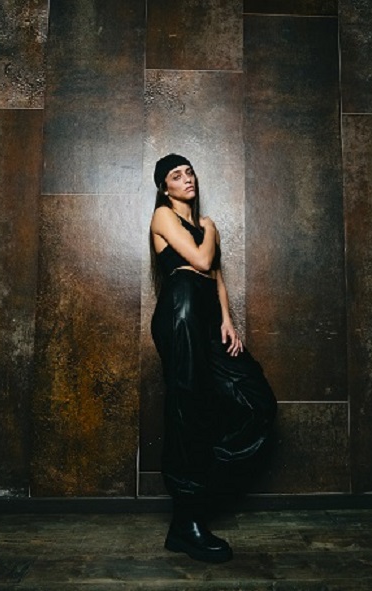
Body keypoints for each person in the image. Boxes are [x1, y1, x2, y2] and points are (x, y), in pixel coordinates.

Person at [150, 153, 277, 563]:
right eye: (176, 175)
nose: (187, 178)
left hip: (206, 314)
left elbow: (216, 277)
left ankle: (201, 478)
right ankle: (186, 522)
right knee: (187, 406)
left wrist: (227, 321)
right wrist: (209, 230)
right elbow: (202, 261)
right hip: (181, 310)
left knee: (256, 401)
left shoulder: (205, 225)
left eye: (189, 172)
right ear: (165, 187)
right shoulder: (165, 217)